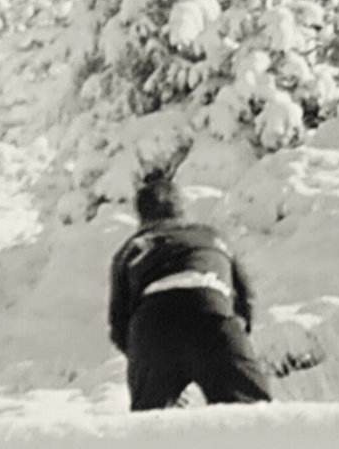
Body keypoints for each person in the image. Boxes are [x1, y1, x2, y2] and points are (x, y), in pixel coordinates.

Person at [108, 173, 272, 411]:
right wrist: (233, 345)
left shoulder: (131, 248)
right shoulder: (212, 238)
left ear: (141, 217)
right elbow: (245, 300)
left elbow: (119, 325)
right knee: (253, 415)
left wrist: (153, 369)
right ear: (181, 211)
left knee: (150, 425)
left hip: (153, 325)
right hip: (213, 313)